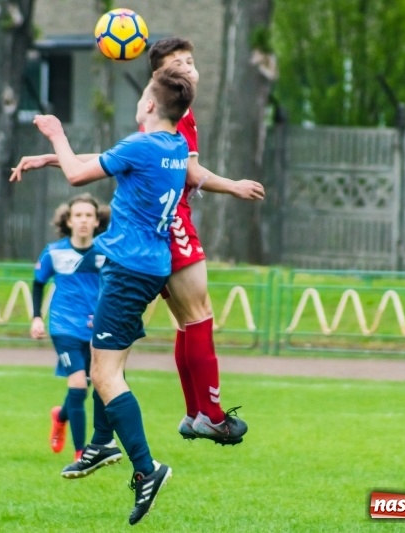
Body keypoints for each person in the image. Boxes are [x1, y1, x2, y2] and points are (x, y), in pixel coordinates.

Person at [11, 64, 195, 526]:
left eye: (141, 97)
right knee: (105, 364)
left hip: (128, 270)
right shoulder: (173, 145)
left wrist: (55, 136)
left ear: (149, 104)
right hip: (151, 266)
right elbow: (106, 159)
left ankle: (146, 469)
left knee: (107, 376)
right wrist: (51, 158)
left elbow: (79, 175)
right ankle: (99, 444)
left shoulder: (141, 144)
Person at [146, 37, 264, 445]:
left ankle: (195, 412)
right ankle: (211, 416)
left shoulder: (153, 110)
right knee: (199, 316)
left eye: (191, 62)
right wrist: (234, 186)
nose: (189, 70)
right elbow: (192, 174)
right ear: (161, 76)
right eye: (177, 64)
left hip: (156, 222)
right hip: (172, 219)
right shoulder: (178, 113)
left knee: (185, 321)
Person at [31, 193, 109, 464]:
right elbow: (38, 283)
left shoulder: (105, 252)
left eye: (89, 215)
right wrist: (36, 317)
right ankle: (81, 452)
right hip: (64, 326)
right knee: (77, 383)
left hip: (96, 328)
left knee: (86, 387)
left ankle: (60, 416)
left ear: (97, 221)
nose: (83, 221)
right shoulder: (54, 252)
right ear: (69, 220)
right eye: (78, 215)